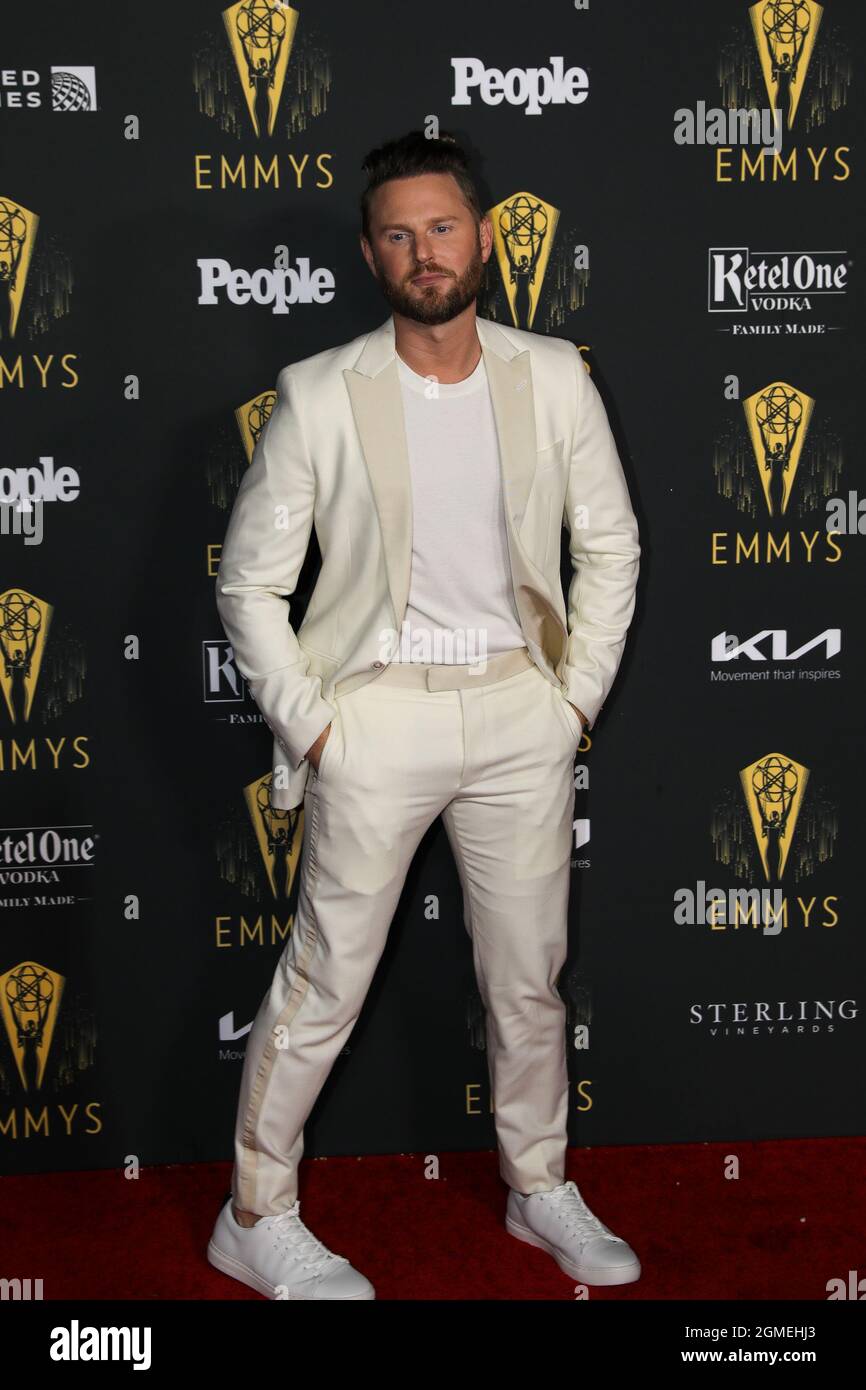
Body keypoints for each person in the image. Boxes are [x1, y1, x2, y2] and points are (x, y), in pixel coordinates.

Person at [207, 129, 641, 1300]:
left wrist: (571, 703)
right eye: (397, 233)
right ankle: (254, 1210)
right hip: (376, 717)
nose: (423, 251)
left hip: (518, 711)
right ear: (368, 253)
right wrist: (316, 726)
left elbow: (607, 545)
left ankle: (536, 1183)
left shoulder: (552, 374)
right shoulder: (318, 394)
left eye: (441, 226)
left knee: (526, 975)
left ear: (485, 235)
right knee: (325, 976)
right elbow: (248, 580)